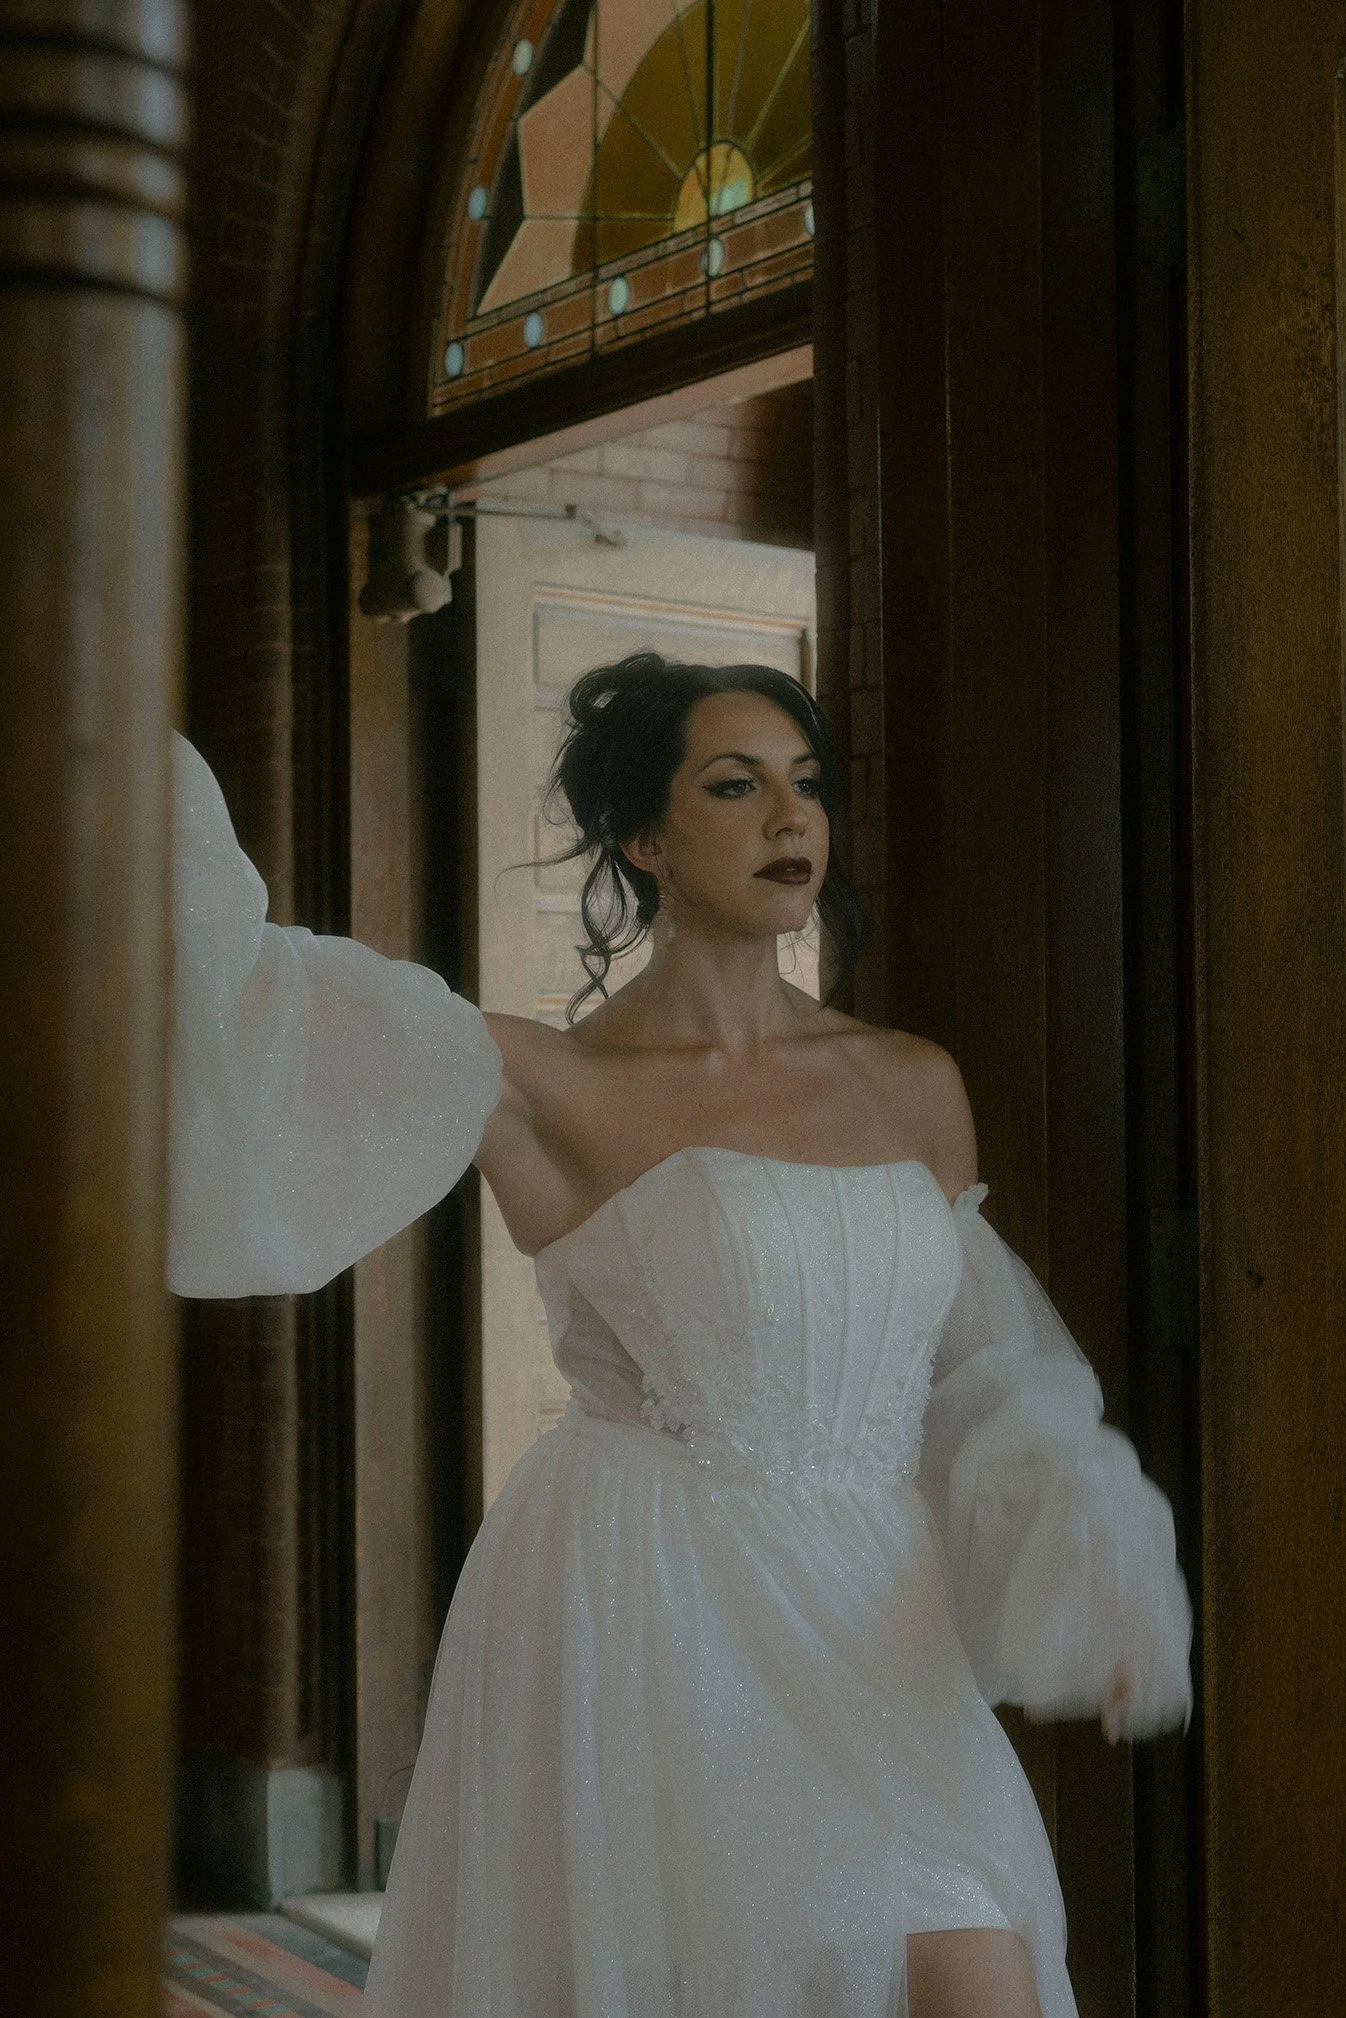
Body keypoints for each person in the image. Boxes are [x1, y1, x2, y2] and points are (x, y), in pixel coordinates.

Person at [169, 654, 1192, 2018]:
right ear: (643, 839)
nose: (790, 816)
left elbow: (986, 1366)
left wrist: (1091, 1556)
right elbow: (247, 1026)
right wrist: (110, 762)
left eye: (806, 783)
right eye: (734, 784)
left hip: (878, 1621)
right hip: (658, 1604)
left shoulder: (910, 1079)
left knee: (978, 1965)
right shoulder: (542, 1080)